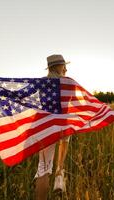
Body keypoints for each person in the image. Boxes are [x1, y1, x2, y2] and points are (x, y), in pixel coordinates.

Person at [34, 54, 71, 200]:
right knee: (60, 164)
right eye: (64, 66)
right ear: (59, 66)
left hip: (45, 127)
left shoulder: (40, 83)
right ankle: (59, 179)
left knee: (43, 168)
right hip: (63, 125)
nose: (66, 69)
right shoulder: (68, 82)